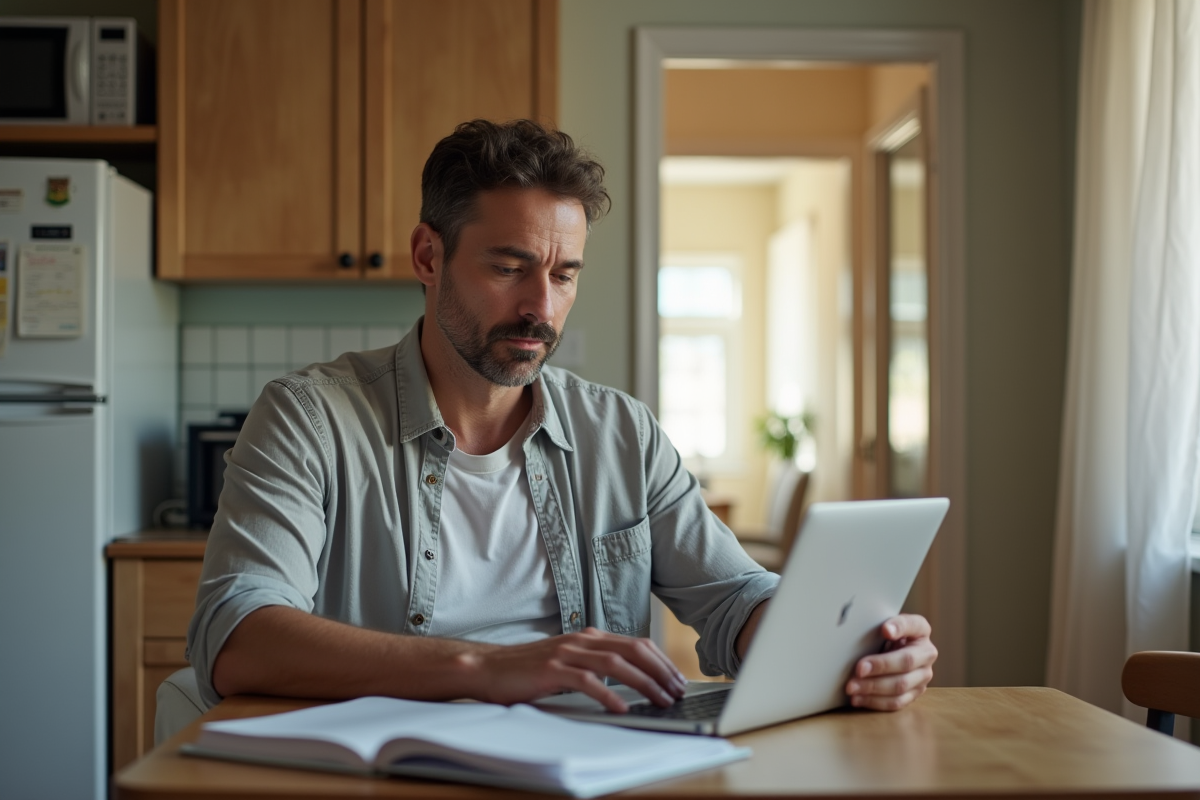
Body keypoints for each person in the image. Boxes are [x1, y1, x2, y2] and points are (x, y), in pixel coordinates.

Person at [186, 119, 937, 716]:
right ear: (427, 256)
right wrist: (485, 667)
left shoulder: (622, 434)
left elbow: (734, 598)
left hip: (592, 765)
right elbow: (238, 632)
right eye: (509, 268)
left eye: (564, 274)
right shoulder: (310, 419)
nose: (541, 308)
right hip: (394, 768)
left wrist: (846, 647)